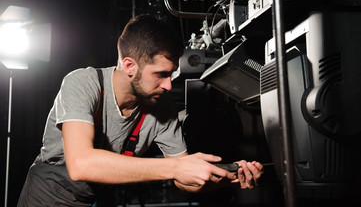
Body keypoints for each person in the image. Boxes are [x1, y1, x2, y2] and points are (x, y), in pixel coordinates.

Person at [17, 14, 263, 207]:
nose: (168, 85)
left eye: (171, 74)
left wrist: (223, 178)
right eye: (161, 74)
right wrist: (177, 168)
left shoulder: (161, 107)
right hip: (46, 199)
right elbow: (81, 164)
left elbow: (183, 180)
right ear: (129, 66)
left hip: (94, 200)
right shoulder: (82, 83)